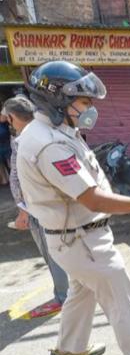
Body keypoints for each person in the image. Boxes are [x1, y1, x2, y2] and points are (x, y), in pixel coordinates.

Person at [16, 61, 130, 355]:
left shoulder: (55, 132)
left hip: (72, 240)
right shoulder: (49, 144)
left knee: (81, 291)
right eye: (85, 102)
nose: (91, 109)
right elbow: (92, 200)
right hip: (82, 239)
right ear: (59, 100)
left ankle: (68, 349)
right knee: (120, 293)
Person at [4, 96, 69, 318]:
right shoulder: (43, 133)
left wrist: (24, 210)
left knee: (52, 252)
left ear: (12, 118)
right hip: (49, 205)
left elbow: (24, 178)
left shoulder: (25, 141)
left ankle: (64, 296)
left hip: (37, 207)